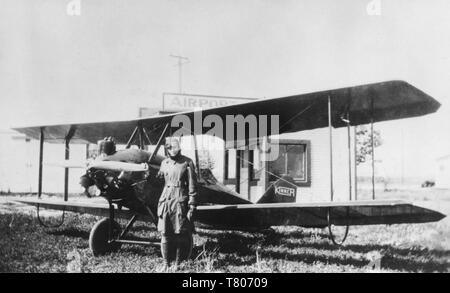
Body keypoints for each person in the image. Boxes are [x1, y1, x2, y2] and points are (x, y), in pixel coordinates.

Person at [157, 137, 197, 270]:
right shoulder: (164, 163)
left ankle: (177, 264)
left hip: (179, 200)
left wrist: (192, 203)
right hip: (166, 199)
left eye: (174, 147)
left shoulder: (187, 162)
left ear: (179, 147)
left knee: (179, 233)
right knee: (165, 233)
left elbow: (192, 184)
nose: (172, 150)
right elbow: (159, 179)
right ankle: (165, 264)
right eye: (169, 147)